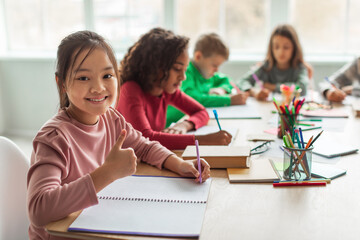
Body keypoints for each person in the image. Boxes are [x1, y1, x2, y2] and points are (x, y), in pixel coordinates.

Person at [26, 30, 210, 240]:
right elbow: (38, 211)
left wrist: (179, 164)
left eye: (107, 75)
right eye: (83, 77)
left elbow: (144, 146)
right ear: (62, 83)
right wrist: (107, 173)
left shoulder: (110, 118)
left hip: (100, 227)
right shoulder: (53, 138)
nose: (98, 87)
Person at [117, 28, 232, 150]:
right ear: (156, 67)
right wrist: (202, 140)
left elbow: (201, 112)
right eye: (177, 69)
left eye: (185, 69)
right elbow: (145, 138)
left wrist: (185, 125)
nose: (183, 77)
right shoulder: (130, 90)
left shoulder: (166, 90)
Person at [166, 33, 249, 126]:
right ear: (198, 56)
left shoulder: (207, 74)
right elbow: (193, 99)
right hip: (171, 125)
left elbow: (227, 80)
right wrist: (229, 100)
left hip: (191, 122)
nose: (217, 70)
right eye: (214, 65)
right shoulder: (186, 72)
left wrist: (222, 89)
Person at [236, 24, 309, 101]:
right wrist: (254, 92)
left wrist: (272, 87)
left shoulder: (300, 67)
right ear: (271, 48)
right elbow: (241, 81)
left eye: (286, 47)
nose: (281, 52)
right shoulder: (266, 66)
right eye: (276, 47)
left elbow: (302, 89)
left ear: (294, 48)